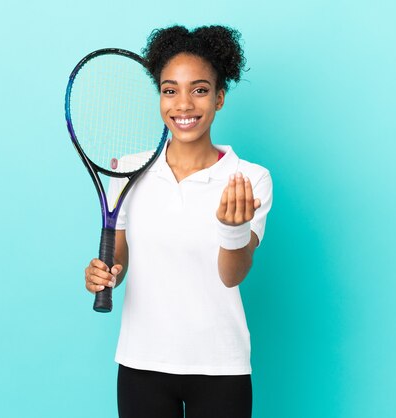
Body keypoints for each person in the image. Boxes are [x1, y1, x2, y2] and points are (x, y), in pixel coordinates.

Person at [84, 24, 273, 418]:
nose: (183, 104)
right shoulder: (129, 170)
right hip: (141, 363)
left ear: (219, 98)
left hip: (221, 366)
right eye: (170, 90)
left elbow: (232, 275)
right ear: (160, 96)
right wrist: (104, 275)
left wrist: (232, 229)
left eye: (199, 89)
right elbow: (118, 258)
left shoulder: (250, 178)